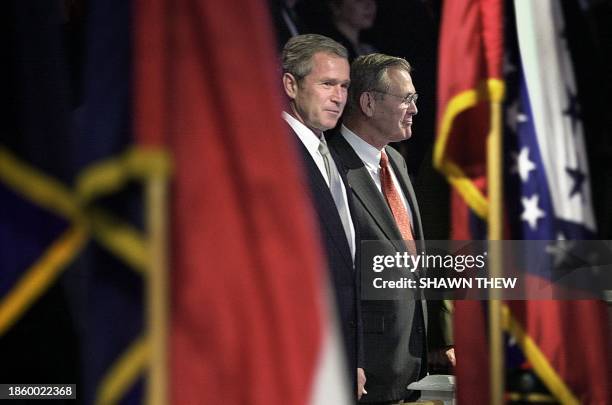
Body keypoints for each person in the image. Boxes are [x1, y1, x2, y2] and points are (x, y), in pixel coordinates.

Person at [327, 53, 454, 403]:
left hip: (413, 366)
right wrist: (347, 359)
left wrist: (439, 340)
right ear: (368, 102)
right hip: (366, 373)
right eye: (407, 99)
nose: (415, 109)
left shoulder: (395, 159)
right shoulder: (330, 167)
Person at [280, 34, 366, 400]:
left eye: (344, 86)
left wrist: (354, 357)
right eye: (327, 84)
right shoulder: (275, 155)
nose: (339, 96)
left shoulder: (329, 152)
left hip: (339, 357)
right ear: (290, 84)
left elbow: (345, 266)